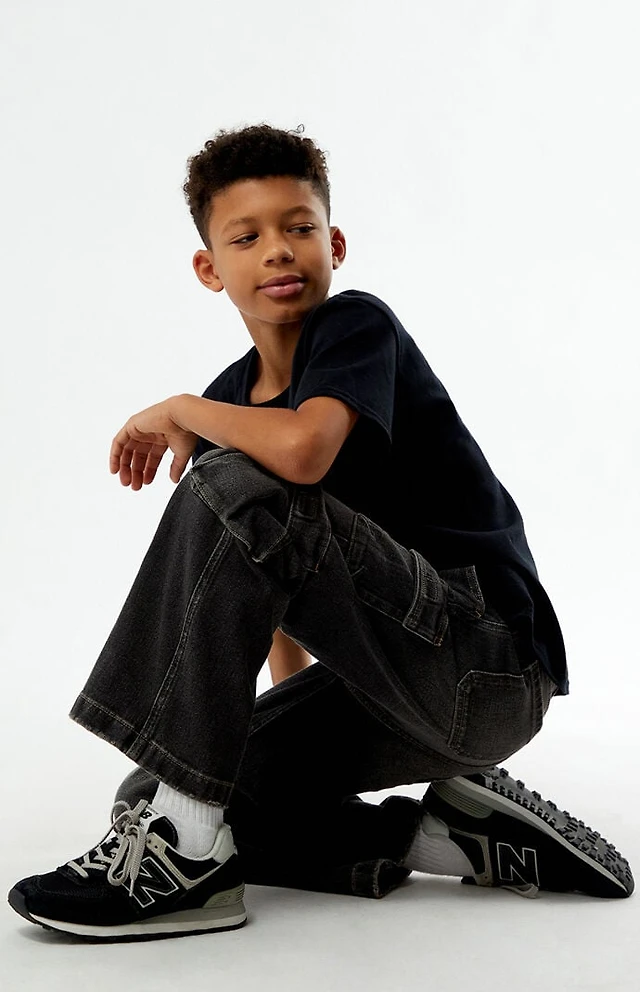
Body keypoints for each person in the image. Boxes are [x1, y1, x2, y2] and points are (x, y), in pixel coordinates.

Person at [8, 123, 634, 942]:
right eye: (247, 237)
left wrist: (183, 408)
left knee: (227, 483)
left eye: (298, 227)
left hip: (486, 667)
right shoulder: (233, 401)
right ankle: (448, 837)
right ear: (209, 268)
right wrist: (241, 742)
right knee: (169, 785)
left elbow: (304, 451)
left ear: (333, 244)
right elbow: (262, 588)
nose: (278, 249)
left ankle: (187, 862)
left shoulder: (355, 328)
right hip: (389, 688)